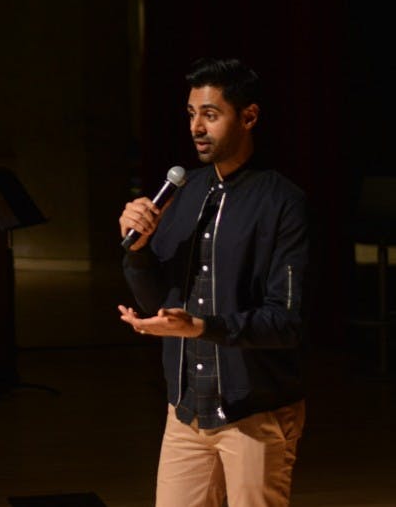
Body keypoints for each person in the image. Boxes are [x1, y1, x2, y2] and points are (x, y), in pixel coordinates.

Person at [117, 58, 309, 507]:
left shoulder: (283, 202)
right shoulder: (183, 194)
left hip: (254, 413)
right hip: (186, 413)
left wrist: (203, 327)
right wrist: (138, 248)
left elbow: (287, 321)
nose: (196, 128)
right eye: (190, 114)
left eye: (210, 114)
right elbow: (158, 300)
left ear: (248, 117)